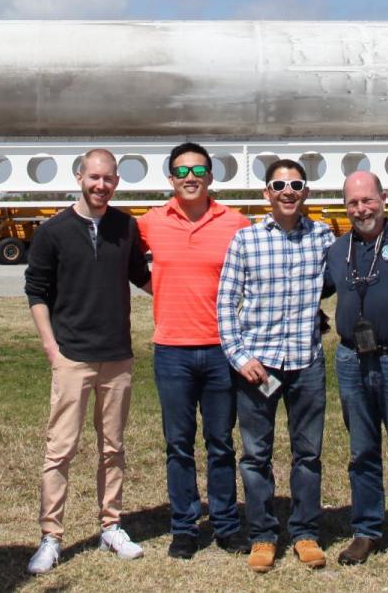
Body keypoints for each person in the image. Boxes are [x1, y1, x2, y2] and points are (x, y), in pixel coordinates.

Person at [24, 148, 153, 576]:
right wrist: (51, 348)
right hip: (72, 357)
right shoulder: (54, 231)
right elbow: (37, 290)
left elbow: (143, 276)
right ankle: (51, 536)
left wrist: (190, 291)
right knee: (60, 449)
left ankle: (111, 525)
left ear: (117, 182)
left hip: (117, 357)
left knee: (113, 447)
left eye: (109, 179)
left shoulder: (125, 226)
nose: (102, 185)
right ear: (79, 176)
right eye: (95, 177)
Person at [215, 158, 335, 573]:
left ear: (306, 192)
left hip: (306, 363)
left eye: (296, 184)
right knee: (255, 455)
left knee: (308, 454)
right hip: (259, 369)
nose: (288, 191)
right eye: (279, 184)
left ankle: (305, 532)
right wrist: (240, 357)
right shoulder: (246, 240)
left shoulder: (323, 235)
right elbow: (226, 304)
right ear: (267, 192)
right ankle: (263, 535)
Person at [137, 141, 252, 559]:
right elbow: (127, 260)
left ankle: (225, 524)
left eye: (198, 171)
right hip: (172, 351)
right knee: (178, 444)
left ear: (211, 177)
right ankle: (184, 527)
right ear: (170, 178)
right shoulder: (150, 222)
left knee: (220, 442)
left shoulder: (236, 222)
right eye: (182, 172)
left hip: (223, 350)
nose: (190, 178)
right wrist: (157, 290)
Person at [323, 171, 388, 577]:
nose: (361, 209)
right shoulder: (337, 249)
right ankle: (366, 530)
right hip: (352, 360)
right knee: (362, 452)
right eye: (353, 203)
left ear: (383, 199)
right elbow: (310, 288)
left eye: (368, 200)